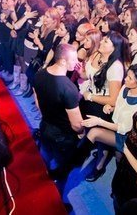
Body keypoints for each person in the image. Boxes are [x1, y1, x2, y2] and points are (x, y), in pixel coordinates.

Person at [33, 43, 83, 190]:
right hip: (62, 136)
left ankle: (42, 179)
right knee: (63, 167)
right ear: (62, 61)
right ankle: (58, 194)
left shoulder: (40, 74)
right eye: (74, 60)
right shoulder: (69, 88)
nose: (77, 63)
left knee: (45, 155)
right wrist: (82, 133)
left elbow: (37, 99)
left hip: (45, 125)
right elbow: (76, 124)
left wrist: (46, 115)